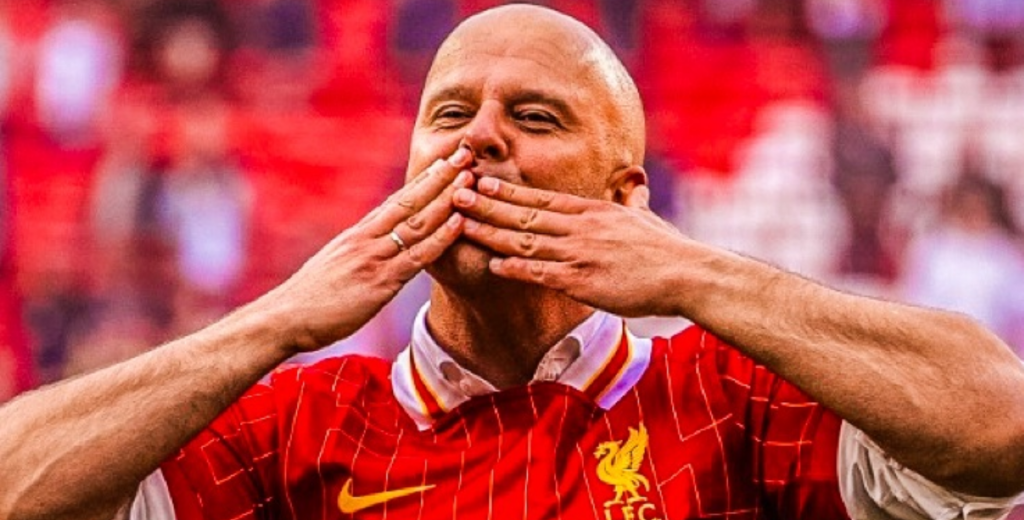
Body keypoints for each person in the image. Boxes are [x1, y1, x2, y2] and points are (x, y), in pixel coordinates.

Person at [2, 5, 1024, 520]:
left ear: (626, 195)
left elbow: (1001, 427)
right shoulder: (296, 425)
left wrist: (695, 275)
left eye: (533, 118)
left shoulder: (733, 400)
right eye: (449, 114)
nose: (478, 138)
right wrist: (276, 321)